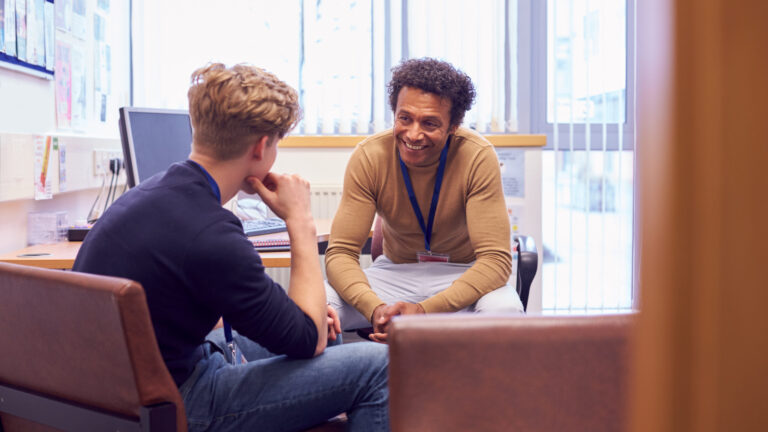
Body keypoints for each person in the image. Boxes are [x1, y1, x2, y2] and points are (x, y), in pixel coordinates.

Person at [73, 63, 389, 432]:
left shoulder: (152, 193)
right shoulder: (212, 234)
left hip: (120, 390)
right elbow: (307, 340)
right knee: (380, 365)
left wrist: (310, 323)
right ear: (260, 147)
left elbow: (295, 326)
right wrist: (299, 220)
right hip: (176, 402)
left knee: (333, 340)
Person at [325, 58, 524, 342]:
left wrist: (425, 311)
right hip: (395, 274)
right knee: (317, 306)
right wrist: (376, 310)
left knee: (505, 314)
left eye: (429, 123)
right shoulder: (369, 156)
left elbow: (495, 261)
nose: (413, 134)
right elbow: (340, 253)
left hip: (462, 274)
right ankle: (350, 382)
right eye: (405, 118)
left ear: (453, 125)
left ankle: (476, 388)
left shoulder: (477, 156)